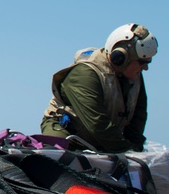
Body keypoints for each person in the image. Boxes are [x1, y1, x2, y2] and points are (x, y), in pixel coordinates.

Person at [40, 23, 158, 153]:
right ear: (121, 58)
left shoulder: (134, 76)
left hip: (105, 138)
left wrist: (135, 149)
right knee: (63, 161)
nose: (145, 68)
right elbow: (97, 123)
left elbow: (138, 118)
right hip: (69, 134)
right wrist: (126, 151)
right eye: (142, 62)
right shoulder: (85, 74)